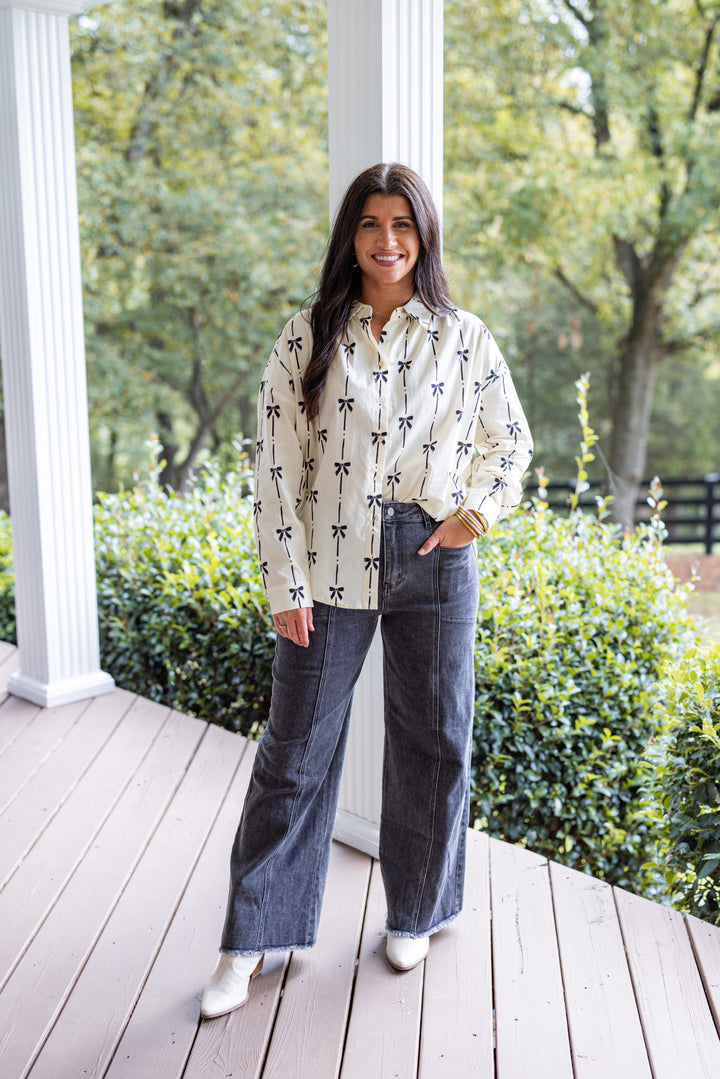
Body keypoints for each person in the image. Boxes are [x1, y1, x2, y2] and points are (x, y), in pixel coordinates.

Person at [200, 162, 532, 1018]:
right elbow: (274, 469)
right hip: (329, 559)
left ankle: (417, 910)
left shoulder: (465, 337)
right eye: (371, 224)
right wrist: (285, 579)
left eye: (403, 226)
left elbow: (512, 444)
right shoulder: (308, 334)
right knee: (295, 749)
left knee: (435, 738)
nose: (388, 242)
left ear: (423, 237)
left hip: (434, 555)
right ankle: (252, 939)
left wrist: (474, 518)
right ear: (350, 236)